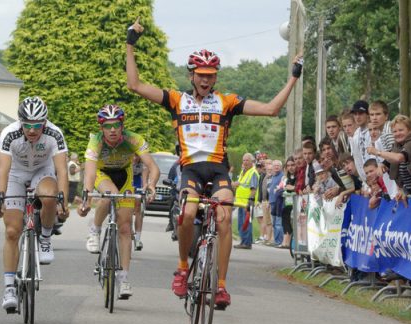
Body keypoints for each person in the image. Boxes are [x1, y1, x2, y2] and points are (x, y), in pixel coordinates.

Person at [125, 18, 302, 309]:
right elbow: (135, 84)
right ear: (191, 75)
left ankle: (220, 286)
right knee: (188, 211)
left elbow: (272, 109)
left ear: (216, 76)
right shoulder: (177, 100)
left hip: (218, 169)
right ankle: (183, 267)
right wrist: (130, 44)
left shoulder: (227, 102)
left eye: (210, 74)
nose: (205, 80)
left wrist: (293, 77)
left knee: (222, 219)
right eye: (200, 74)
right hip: (191, 169)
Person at [0, 96, 70, 312]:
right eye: (28, 125)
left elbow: (62, 170)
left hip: (42, 172)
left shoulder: (54, 134)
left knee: (49, 197)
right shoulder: (9, 134)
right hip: (16, 175)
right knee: (11, 231)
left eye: (37, 125)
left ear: (44, 123)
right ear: (21, 122)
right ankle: (9, 288)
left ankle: (45, 237)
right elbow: (3, 172)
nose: (33, 130)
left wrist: (62, 201)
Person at [78, 104, 159, 299]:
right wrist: (87, 197)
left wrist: (152, 184)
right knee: (109, 195)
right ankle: (94, 231)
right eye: (107, 126)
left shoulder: (133, 139)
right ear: (101, 128)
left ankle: (123, 278)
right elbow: (89, 172)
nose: (112, 130)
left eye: (116, 125)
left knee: (125, 228)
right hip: (102, 174)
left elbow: (152, 167)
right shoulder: (95, 142)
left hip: (125, 175)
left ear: (122, 125)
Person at [367, 115, 411, 201]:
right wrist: (383, 164)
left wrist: (377, 152)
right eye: (394, 131)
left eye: (401, 130)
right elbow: (391, 156)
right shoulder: (397, 145)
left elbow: (398, 158)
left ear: (410, 130)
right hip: (408, 191)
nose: (397, 133)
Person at [232, 153, 258, 249]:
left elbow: (253, 189)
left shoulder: (253, 172)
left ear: (252, 161)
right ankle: (244, 241)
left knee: (246, 223)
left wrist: (250, 201)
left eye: (247, 160)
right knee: (241, 223)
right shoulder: (244, 172)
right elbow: (242, 185)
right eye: (244, 160)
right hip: (241, 202)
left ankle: (246, 243)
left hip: (247, 202)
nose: (245, 162)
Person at [131, 154, 148, 251]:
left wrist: (145, 187)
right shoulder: (125, 161)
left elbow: (144, 180)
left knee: (138, 209)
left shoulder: (143, 164)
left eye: (137, 156)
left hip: (137, 184)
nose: (134, 158)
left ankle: (137, 239)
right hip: (125, 182)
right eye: (133, 156)